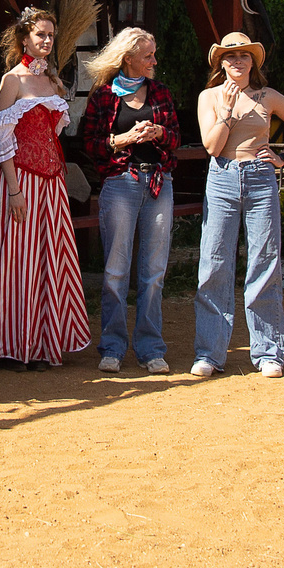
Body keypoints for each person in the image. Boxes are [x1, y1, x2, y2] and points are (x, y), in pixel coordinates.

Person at [0, 6, 86, 370]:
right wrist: (13, 189)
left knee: (48, 261)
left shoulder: (53, 81)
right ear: (24, 38)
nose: (46, 40)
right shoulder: (12, 79)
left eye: (50, 35)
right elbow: (0, 138)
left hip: (52, 182)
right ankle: (9, 341)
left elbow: (51, 133)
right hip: (21, 180)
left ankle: (42, 343)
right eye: (40, 34)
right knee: (16, 260)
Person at [192, 31, 284, 378]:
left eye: (244, 55)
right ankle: (209, 353)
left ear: (253, 62)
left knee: (264, 261)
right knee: (214, 261)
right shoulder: (209, 97)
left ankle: (268, 352)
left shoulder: (269, 96)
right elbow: (213, 147)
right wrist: (229, 111)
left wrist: (283, 156)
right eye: (230, 56)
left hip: (261, 178)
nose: (237, 61)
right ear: (221, 62)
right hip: (222, 177)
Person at [78, 26, 181, 375]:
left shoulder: (161, 92)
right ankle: (113, 346)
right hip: (120, 183)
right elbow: (88, 144)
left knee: (154, 272)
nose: (154, 60)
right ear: (128, 59)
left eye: (154, 54)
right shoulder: (103, 96)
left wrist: (160, 133)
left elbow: (177, 139)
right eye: (148, 55)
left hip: (158, 182)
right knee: (115, 271)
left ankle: (151, 348)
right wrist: (120, 140)